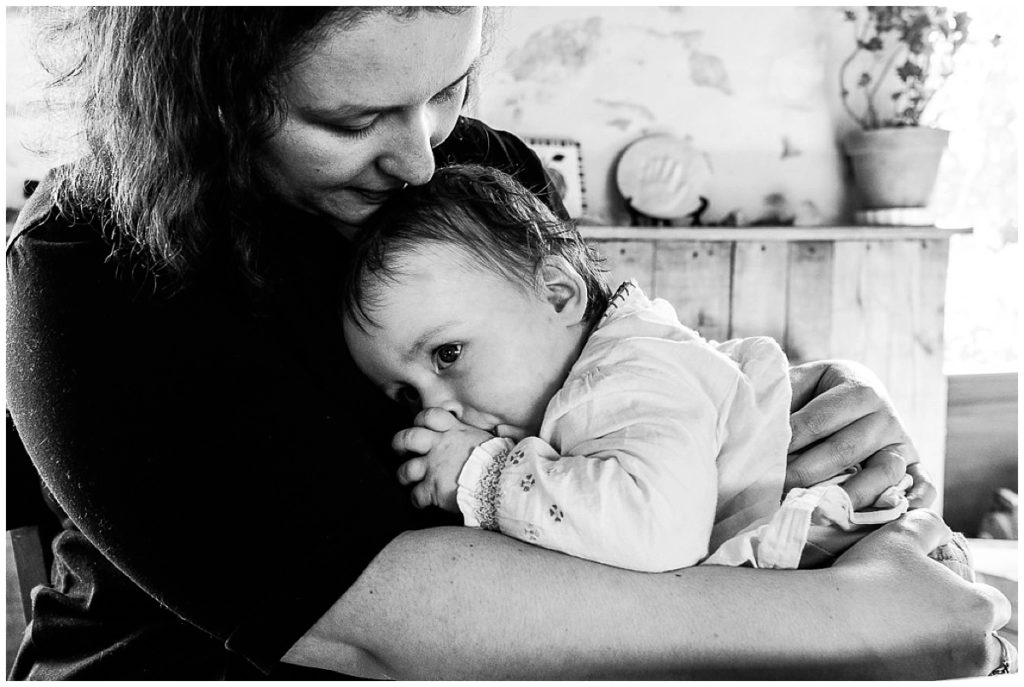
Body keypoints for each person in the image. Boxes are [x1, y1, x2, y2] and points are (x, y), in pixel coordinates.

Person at [5, 6, 1012, 680]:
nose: (417, 158)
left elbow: (609, 382)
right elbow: (373, 630)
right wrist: (869, 625)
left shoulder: (480, 173)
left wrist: (802, 405)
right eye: (353, 117)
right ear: (210, 97)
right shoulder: (92, 256)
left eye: (448, 89)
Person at [341, 163, 968, 574]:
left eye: (448, 354)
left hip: (892, 570)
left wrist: (482, 474)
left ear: (559, 295)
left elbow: (655, 532)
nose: (431, 410)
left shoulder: (620, 377)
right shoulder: (610, 367)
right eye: (404, 394)